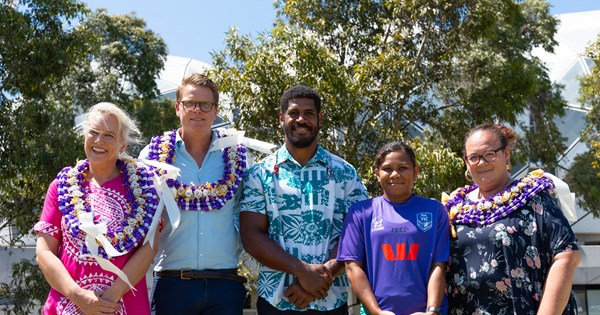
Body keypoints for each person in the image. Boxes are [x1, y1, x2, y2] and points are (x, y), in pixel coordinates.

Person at [240, 85, 369, 315]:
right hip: (276, 300)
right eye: (293, 113)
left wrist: (324, 274)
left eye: (308, 113)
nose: (301, 119)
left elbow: (358, 233)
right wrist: (303, 272)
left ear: (319, 118)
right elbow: (251, 236)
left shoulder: (345, 173)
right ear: (281, 118)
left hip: (331, 299)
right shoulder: (259, 174)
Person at [35, 102, 162, 314]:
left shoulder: (146, 188)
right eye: (93, 132)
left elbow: (149, 248)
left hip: (124, 306)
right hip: (67, 305)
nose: (99, 140)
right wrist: (78, 296)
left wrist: (109, 299)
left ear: (123, 145)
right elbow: (44, 251)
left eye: (109, 135)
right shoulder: (62, 185)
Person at [139, 73, 248, 315]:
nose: (197, 110)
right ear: (178, 108)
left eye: (205, 104)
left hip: (225, 285)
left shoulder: (236, 155)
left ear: (215, 110)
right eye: (190, 103)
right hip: (172, 285)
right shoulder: (153, 155)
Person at [443, 123, 580, 315]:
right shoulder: (454, 209)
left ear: (506, 155)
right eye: (473, 157)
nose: (481, 162)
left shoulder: (532, 197)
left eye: (489, 154)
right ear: (466, 162)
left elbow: (566, 255)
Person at [337, 141, 450, 315]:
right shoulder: (360, 213)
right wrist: (376, 312)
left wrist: (432, 311)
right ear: (377, 173)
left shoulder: (434, 210)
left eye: (403, 168)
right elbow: (352, 267)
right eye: (387, 169)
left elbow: (439, 265)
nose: (395, 174)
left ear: (416, 171)